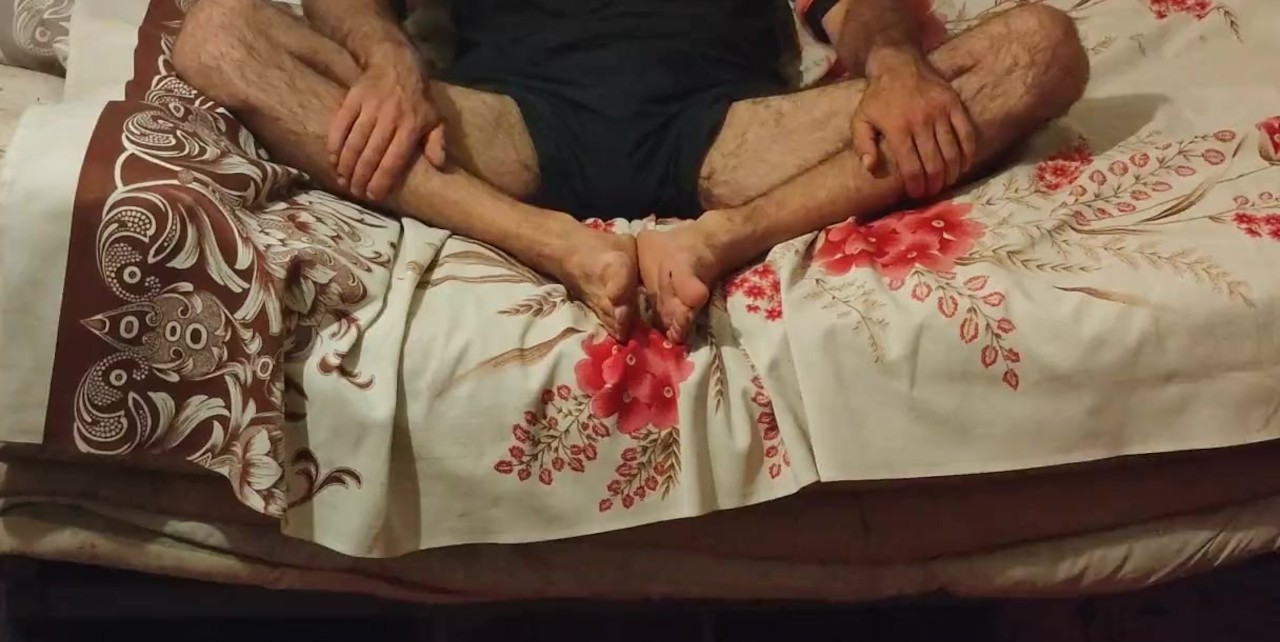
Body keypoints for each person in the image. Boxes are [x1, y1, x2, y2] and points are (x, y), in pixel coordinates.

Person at [172, 0, 1088, 343]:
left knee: (1040, 47)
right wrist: (388, 59)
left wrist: (892, 63)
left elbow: (859, 6)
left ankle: (725, 239)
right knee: (220, 33)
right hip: (507, 129)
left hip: (724, 134)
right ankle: (551, 245)